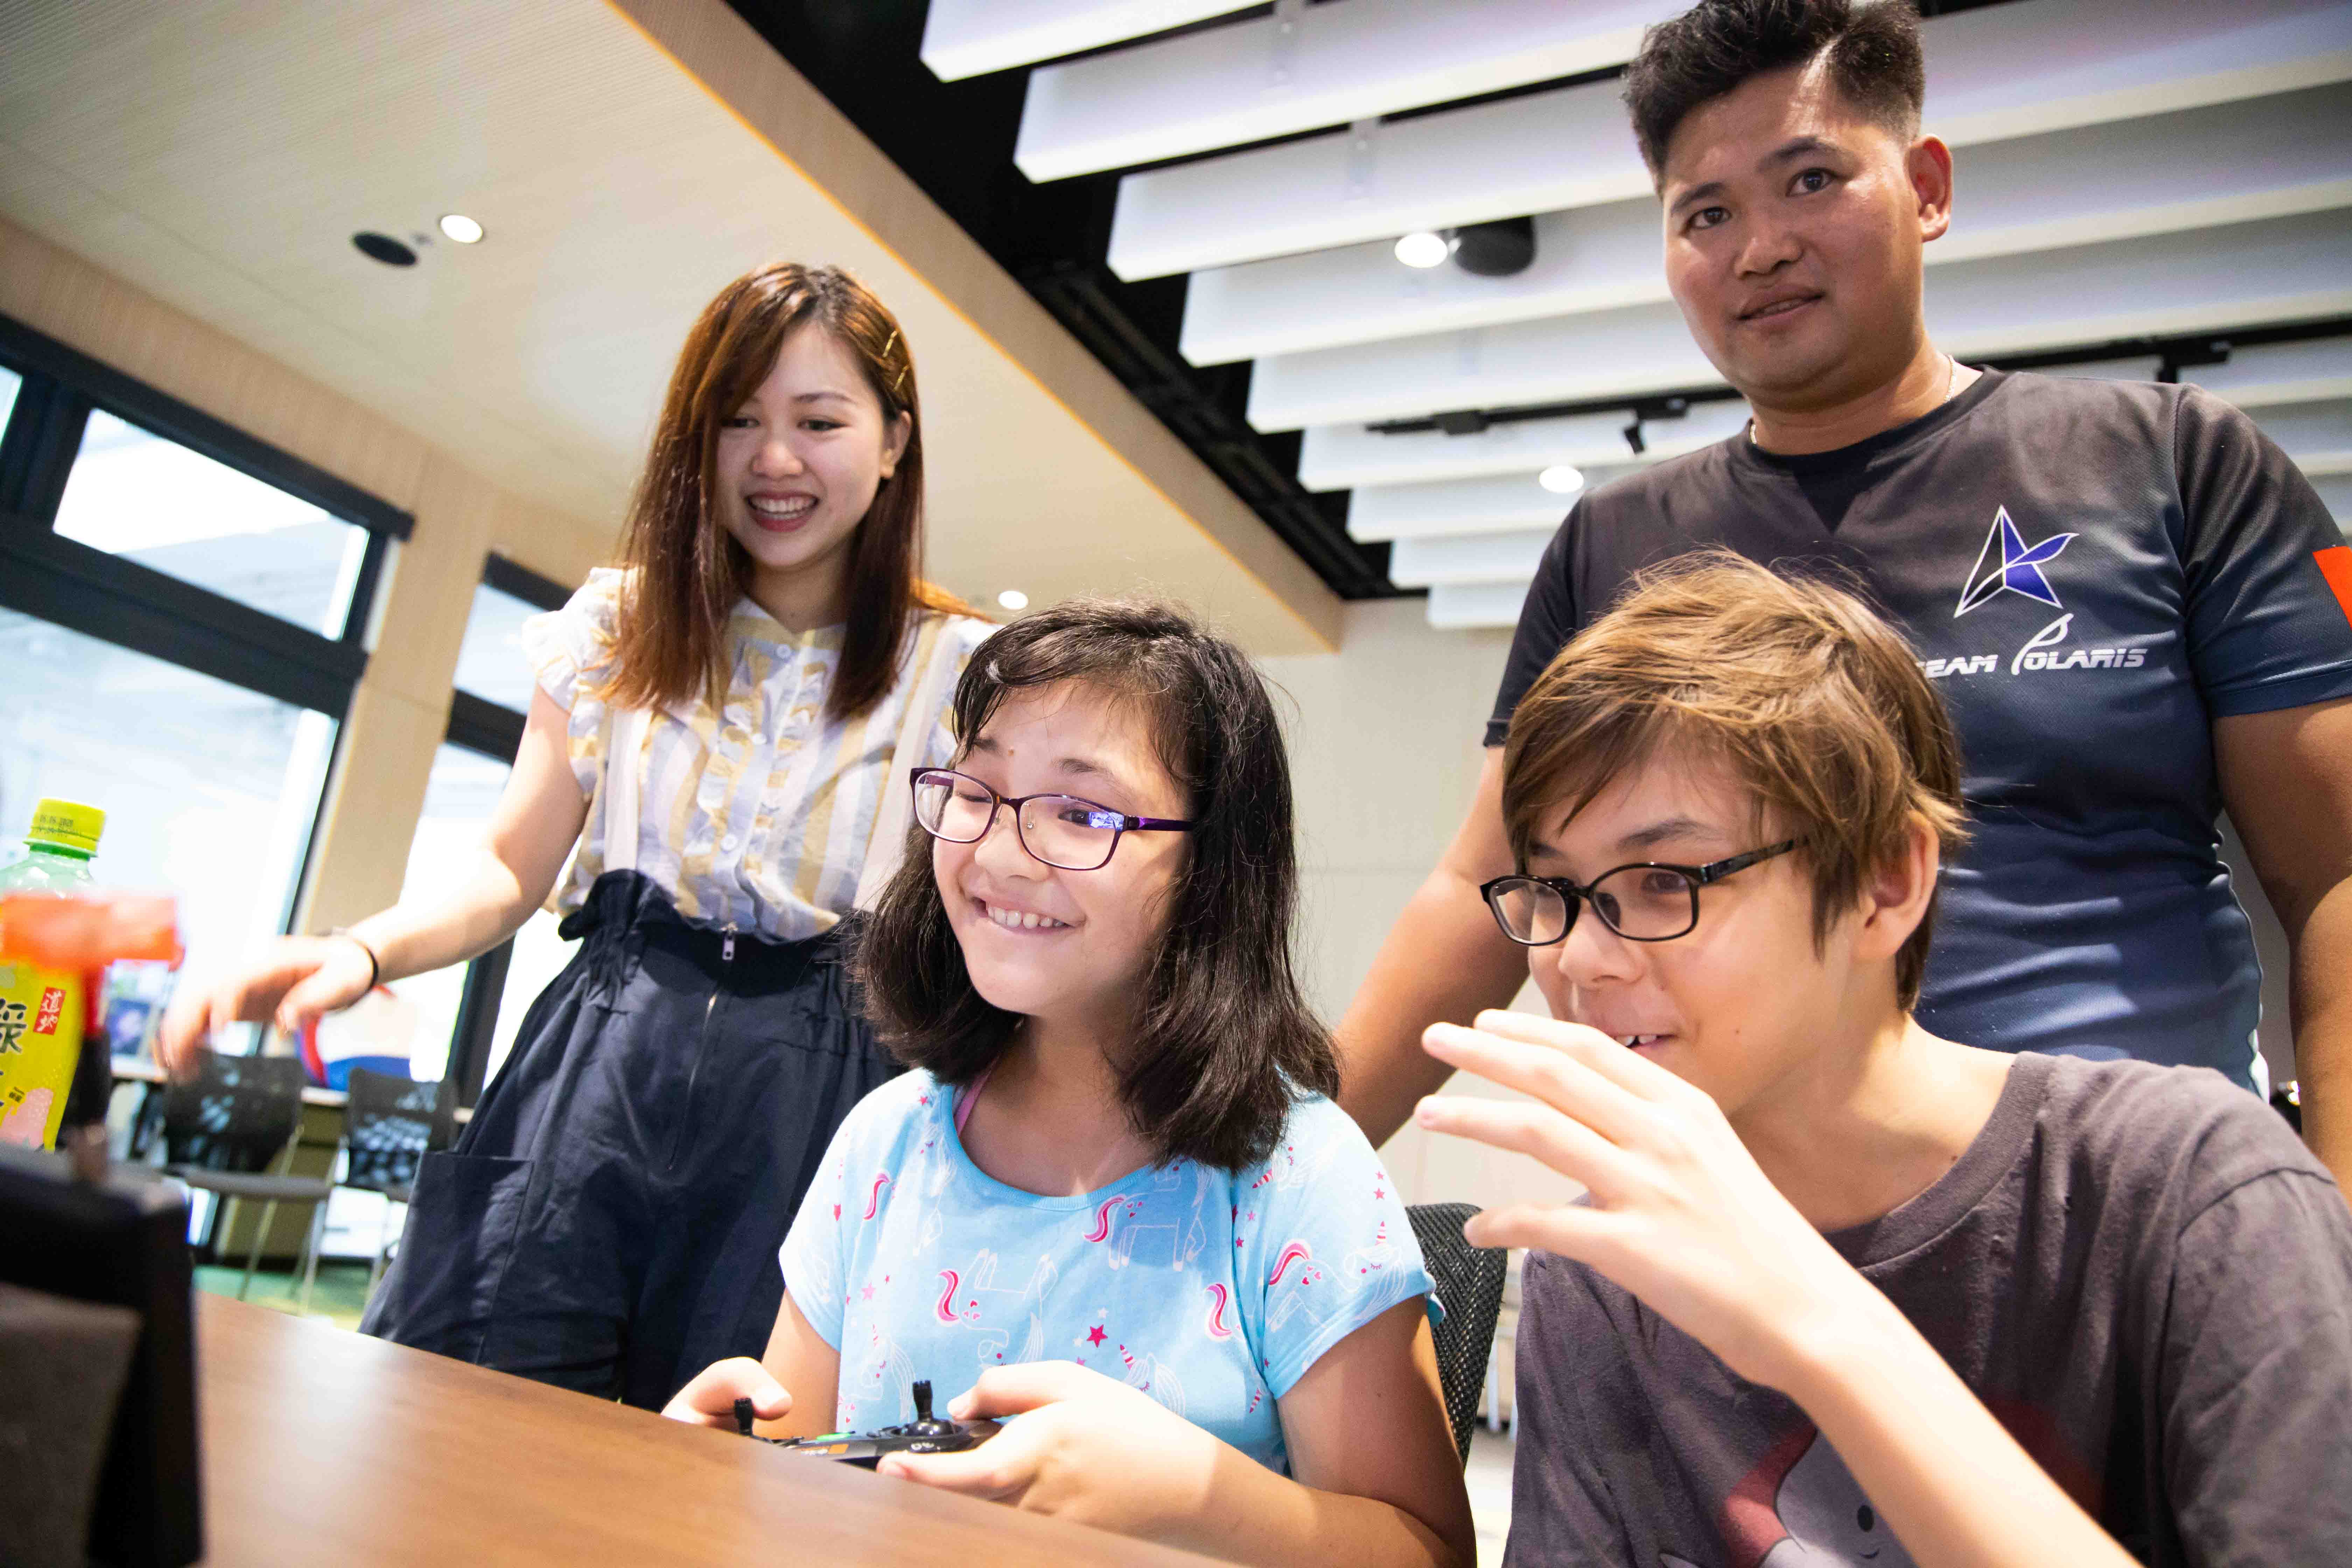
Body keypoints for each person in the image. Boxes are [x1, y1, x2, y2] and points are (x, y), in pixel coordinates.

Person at [1337, 0, 2352, 1191]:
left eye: (1811, 180)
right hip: (1729, 1215)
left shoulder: (2185, 460)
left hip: (2118, 1198)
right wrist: (1266, 1174)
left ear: (1927, 188)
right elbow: (1481, 887)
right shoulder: (1612, 543)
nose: (1759, 248)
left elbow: (2335, 874)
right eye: (1706, 214)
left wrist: (2327, 1238)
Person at [156, 263, 993, 1408]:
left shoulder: (963, 674)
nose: (774, 459)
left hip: (825, 1100)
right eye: (737, 420)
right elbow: (509, 868)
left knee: (736, 1460)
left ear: (894, 442)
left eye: (818, 422)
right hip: (599, 1064)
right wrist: (356, 951)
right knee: (475, 1412)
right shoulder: (618, 624)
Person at [1414, 554, 2352, 1566]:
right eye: (1552, 891)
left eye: (1662, 880)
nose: (1577, 959)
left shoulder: (2188, 1188)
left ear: (1885, 881)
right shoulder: (1603, 1267)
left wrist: (1817, 1326)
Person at [663, 600, 1475, 1567]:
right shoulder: (888, 1140)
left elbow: (1429, 1552)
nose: (1001, 856)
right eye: (978, 792)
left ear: (1210, 868)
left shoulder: (1297, 1174)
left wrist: (1193, 1497)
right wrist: (727, 1475)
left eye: (1082, 814)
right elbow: (804, 1477)